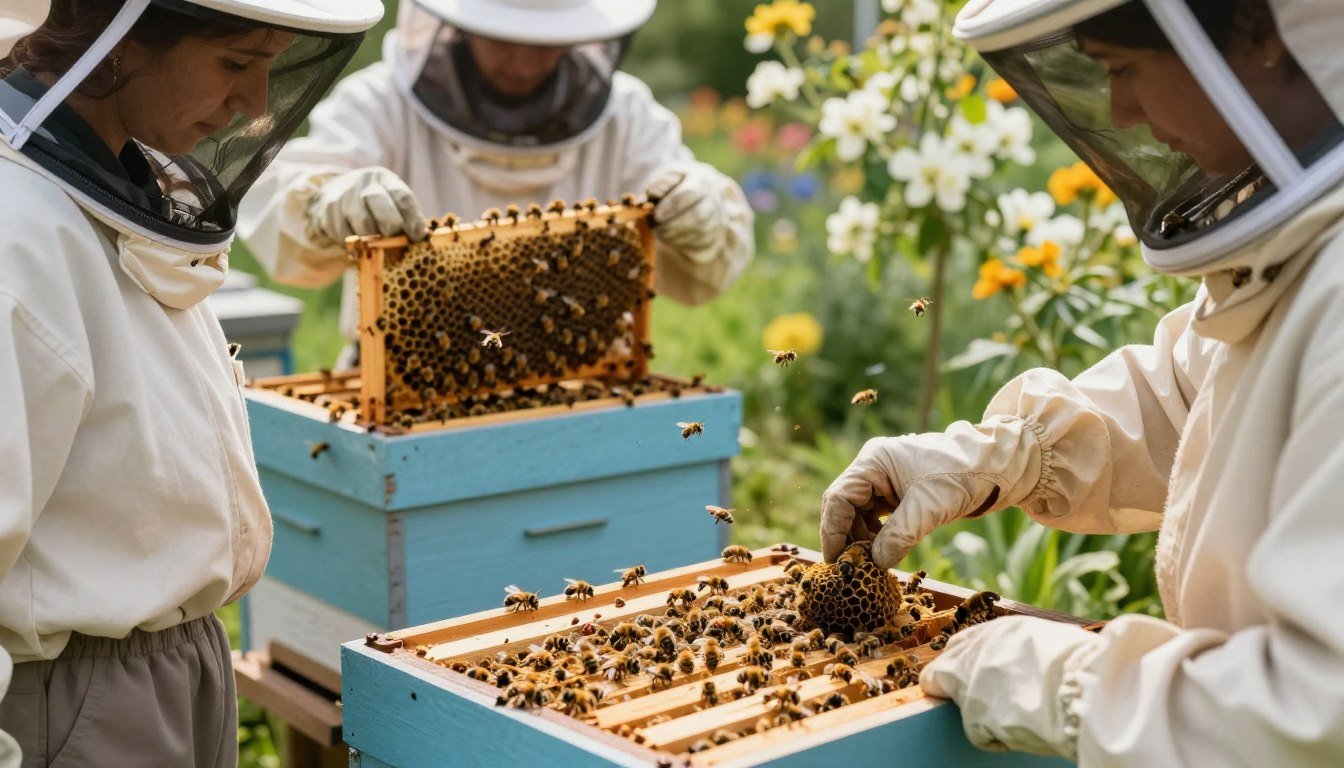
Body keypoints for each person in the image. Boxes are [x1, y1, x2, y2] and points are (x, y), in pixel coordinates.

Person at [820, 0, 1344, 763]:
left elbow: (1315, 710)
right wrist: (1002, 454)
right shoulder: (1306, 242)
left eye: (1124, 68)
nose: (1118, 109)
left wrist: (1063, 682)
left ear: (1256, 31)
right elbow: (1202, 400)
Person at [0, 0, 381, 764]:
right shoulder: (18, 240)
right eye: (237, 62)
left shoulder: (111, 189)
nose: (256, 103)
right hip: (70, 702)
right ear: (112, 42)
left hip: (164, 677)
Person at [239, 0, 754, 367]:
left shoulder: (628, 115)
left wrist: (699, 207)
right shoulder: (380, 103)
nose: (523, 64)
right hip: (405, 383)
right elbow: (283, 215)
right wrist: (328, 202)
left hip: (580, 381)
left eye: (545, 43)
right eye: (505, 38)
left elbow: (702, 271)